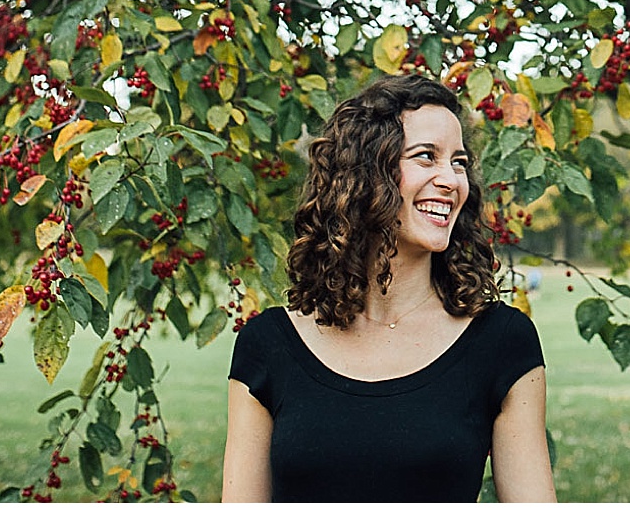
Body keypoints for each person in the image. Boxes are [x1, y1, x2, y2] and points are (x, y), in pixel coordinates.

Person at [222, 73, 554, 503]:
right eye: (426, 157)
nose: (452, 181)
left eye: (458, 162)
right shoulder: (266, 347)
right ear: (364, 175)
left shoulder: (503, 343)